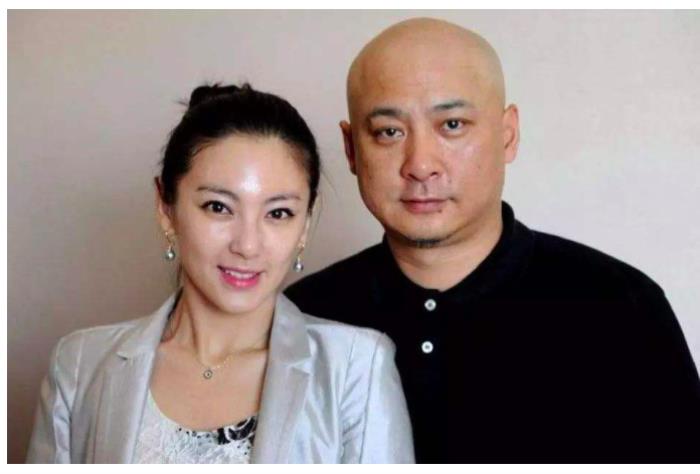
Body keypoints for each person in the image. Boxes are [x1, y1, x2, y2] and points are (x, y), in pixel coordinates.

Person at [285, 18, 700, 463]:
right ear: (351, 149)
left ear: (507, 135)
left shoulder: (620, 307)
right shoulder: (301, 322)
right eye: (389, 132)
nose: (420, 164)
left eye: (452, 125)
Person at [26, 83, 414, 463]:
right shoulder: (80, 366)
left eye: (278, 213)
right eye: (218, 207)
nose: (247, 245)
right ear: (166, 208)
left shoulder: (355, 369)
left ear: (305, 225)